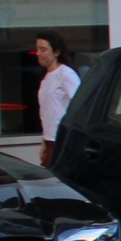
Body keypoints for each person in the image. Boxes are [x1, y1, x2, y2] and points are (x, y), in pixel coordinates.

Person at [32, 32, 80, 167]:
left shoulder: (66, 74)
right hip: (50, 139)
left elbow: (80, 104)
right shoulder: (46, 77)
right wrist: (44, 142)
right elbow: (47, 112)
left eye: (43, 49)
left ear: (56, 52)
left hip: (62, 139)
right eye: (37, 49)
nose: (38, 54)